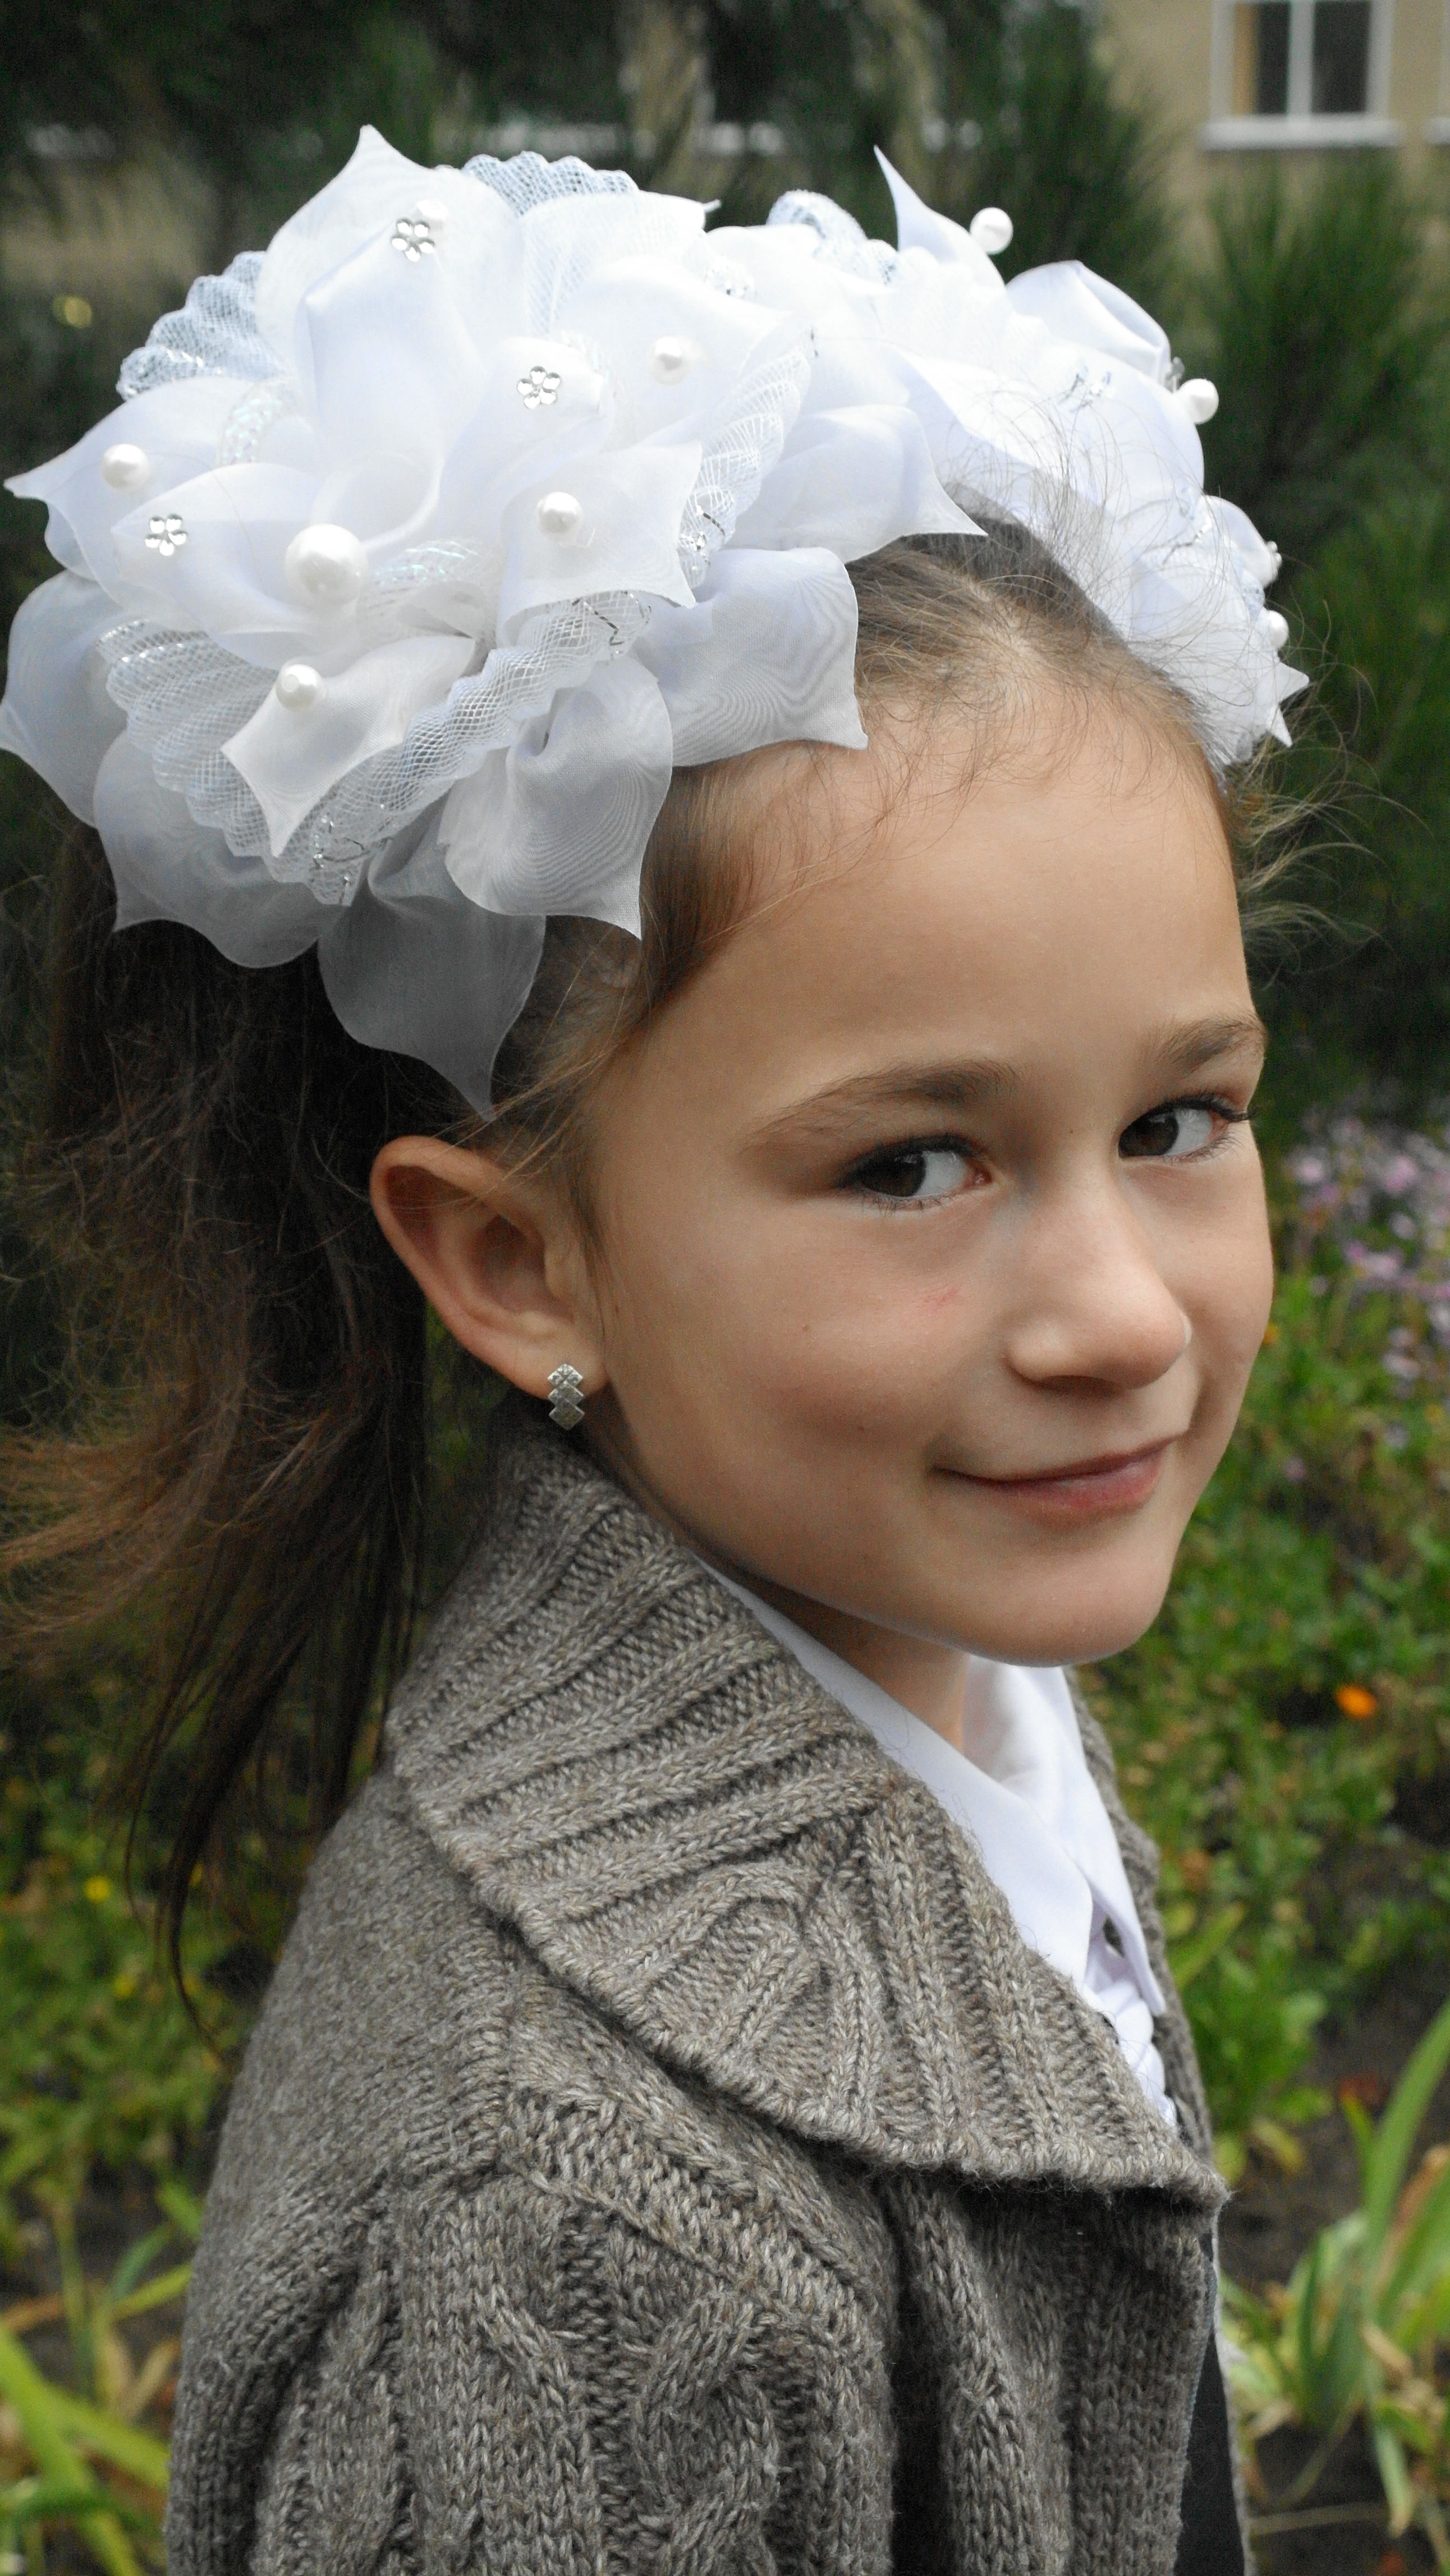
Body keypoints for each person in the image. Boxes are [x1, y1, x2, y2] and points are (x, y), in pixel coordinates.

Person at [0, 127, 1302, 2576]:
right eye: (913, 1164)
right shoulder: (556, 2254)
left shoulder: (921, 1663)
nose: (1126, 1312)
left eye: (1177, 1120)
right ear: (520, 1265)